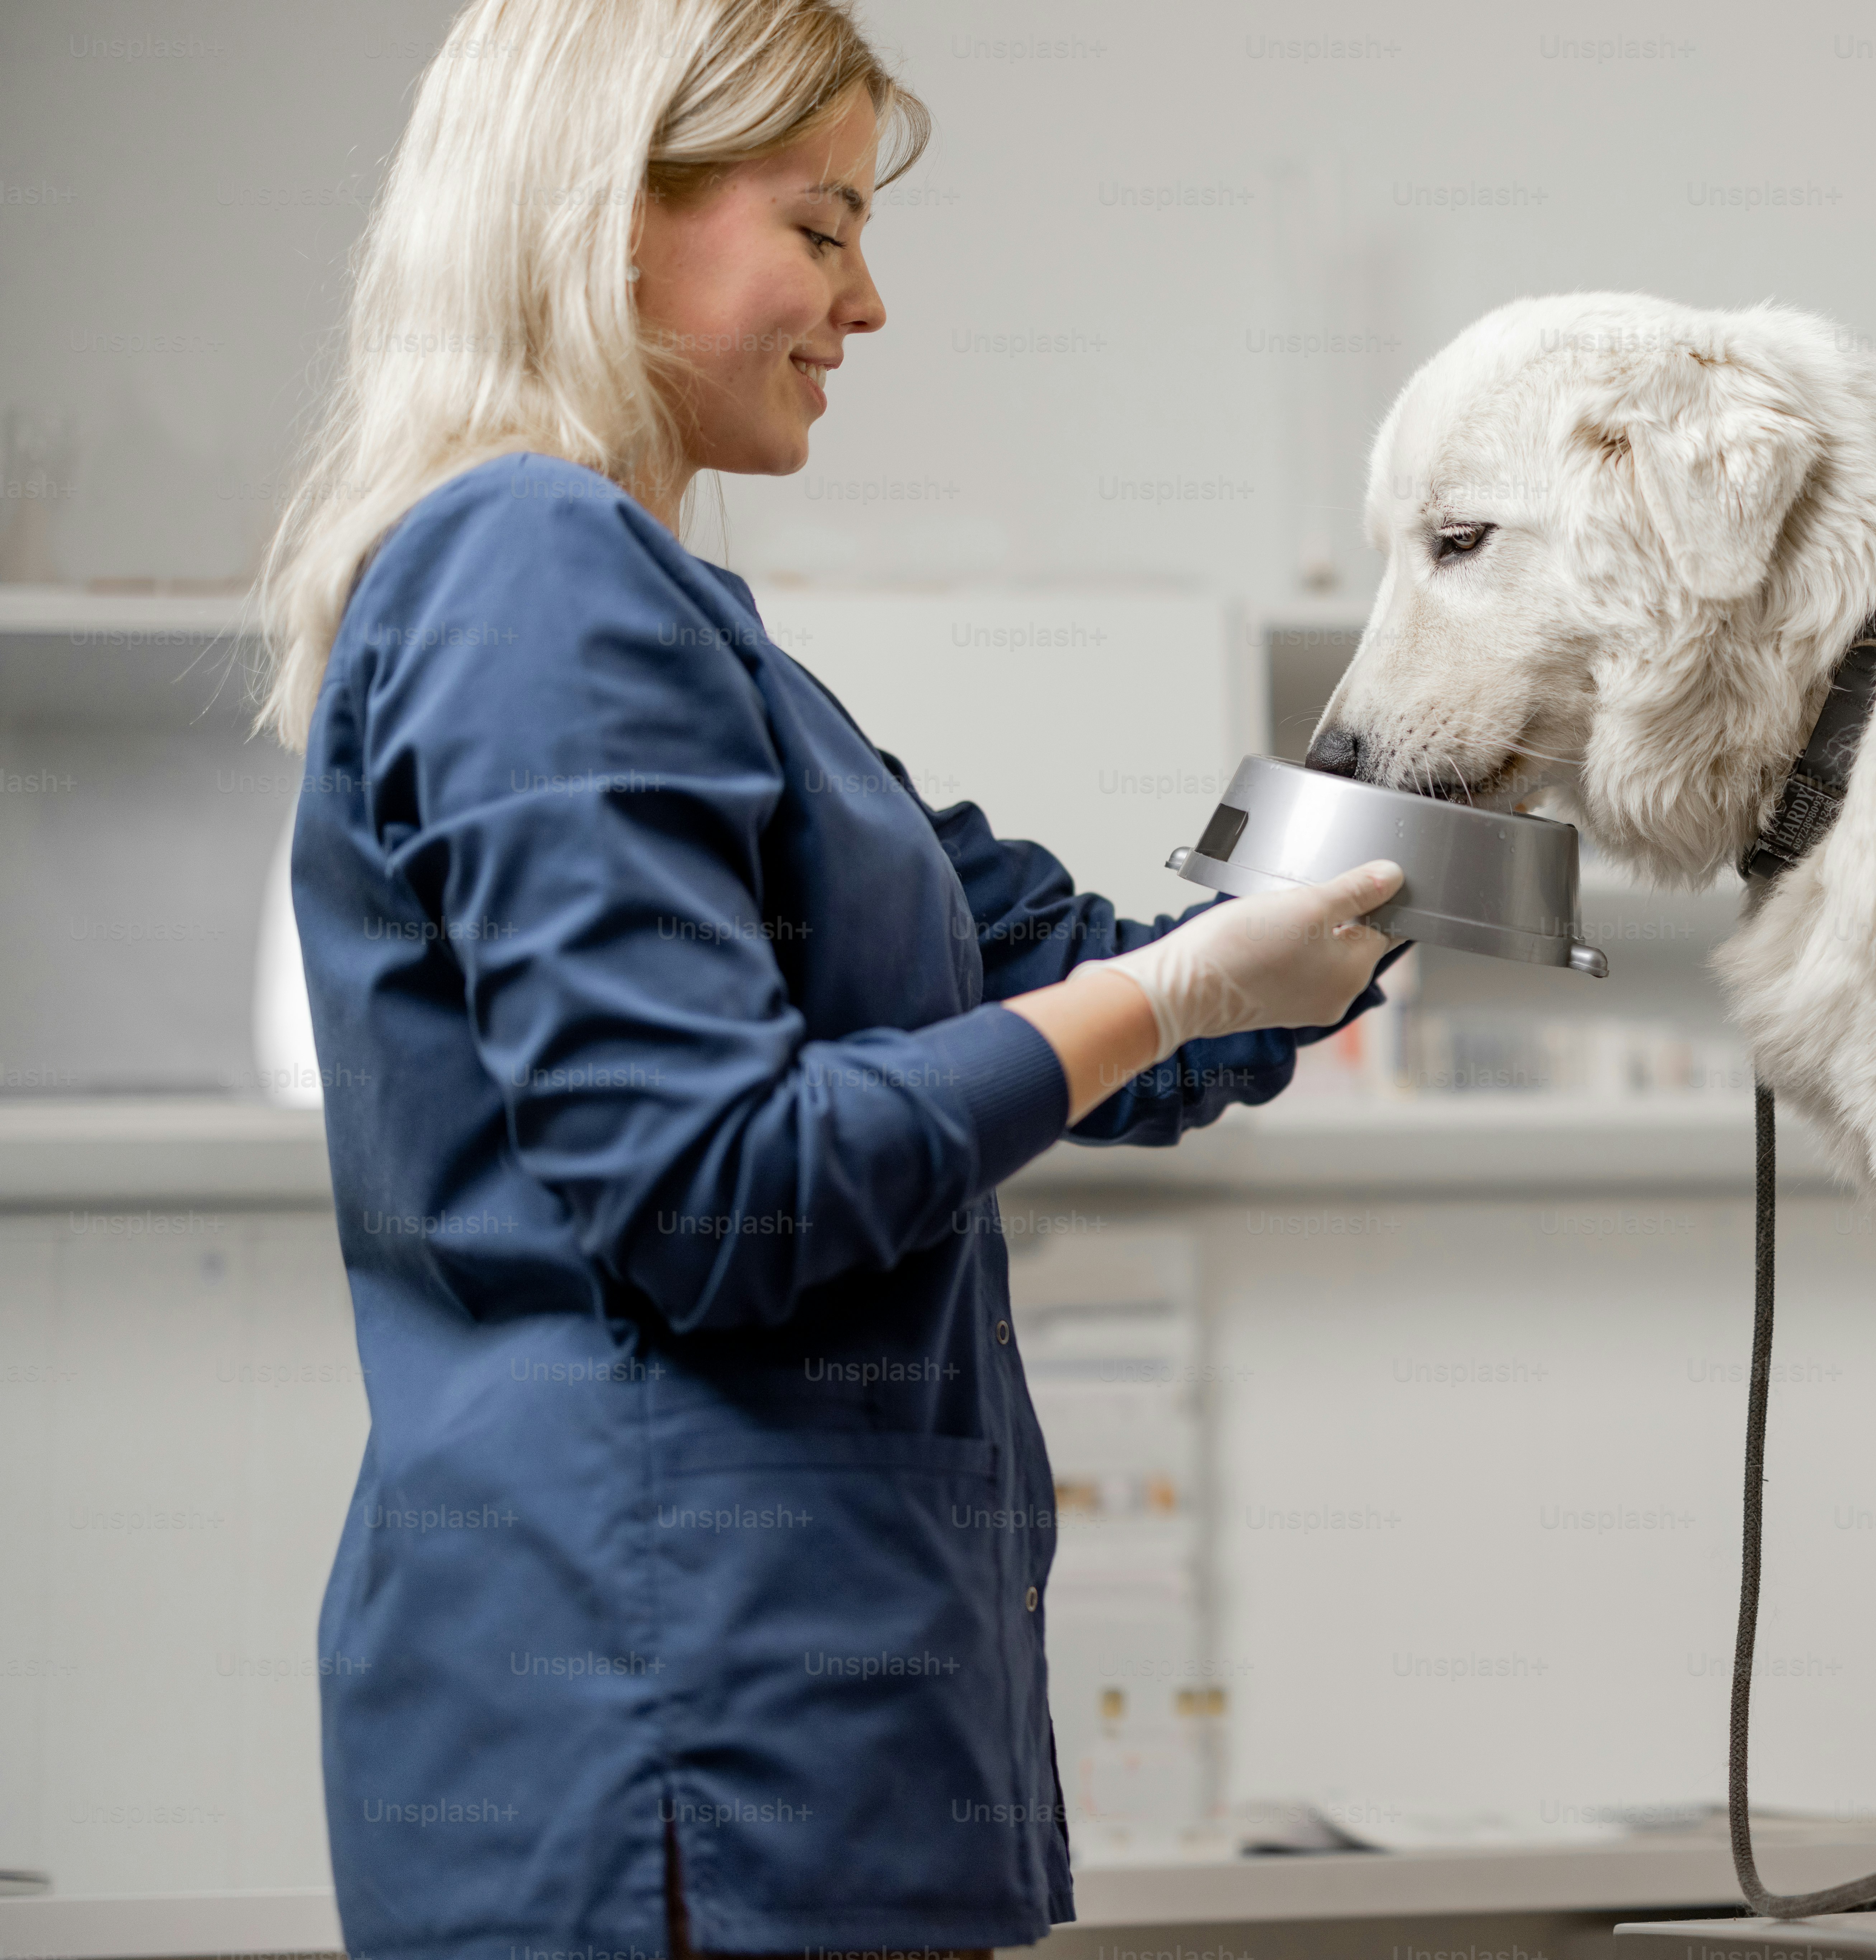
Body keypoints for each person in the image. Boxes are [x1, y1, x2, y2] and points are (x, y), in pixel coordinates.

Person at [250, 3, 1401, 1954]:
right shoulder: (534, 567)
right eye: (824, 225)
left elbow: (1113, 1003)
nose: (867, 304)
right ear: (617, 218)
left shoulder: (703, 644)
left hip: (792, 1754)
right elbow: (714, 1188)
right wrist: (1189, 994)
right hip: (668, 1757)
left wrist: (1438, 753)